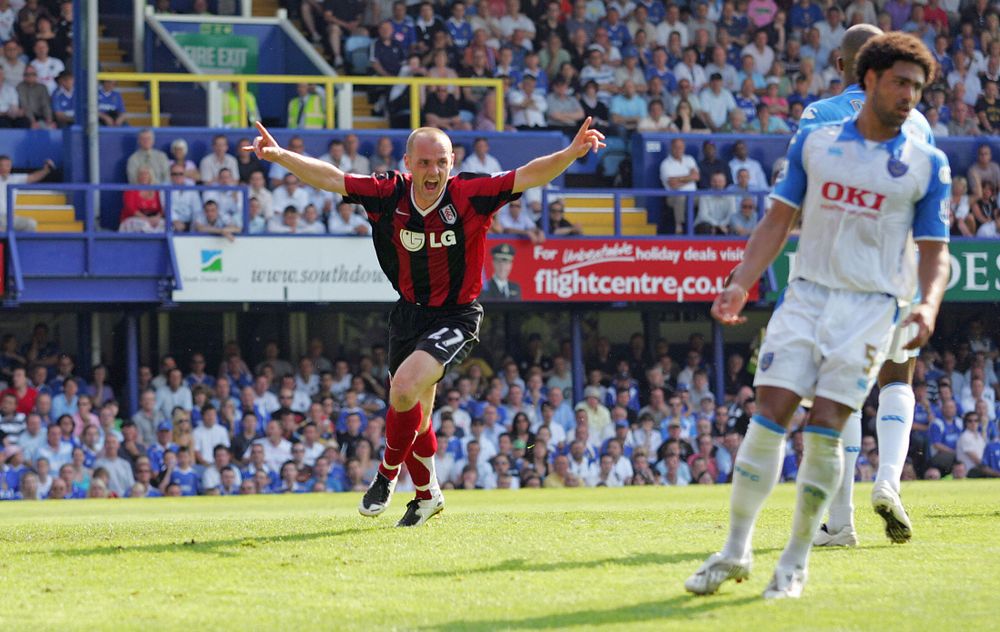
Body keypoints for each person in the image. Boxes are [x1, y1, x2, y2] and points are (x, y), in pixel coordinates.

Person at [686, 33, 949, 599]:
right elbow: (777, 221)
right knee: (769, 412)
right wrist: (740, 281)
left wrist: (927, 303)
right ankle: (734, 551)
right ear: (869, 77)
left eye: (918, 86)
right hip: (806, 294)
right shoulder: (817, 140)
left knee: (828, 425)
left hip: (872, 305)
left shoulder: (929, 162)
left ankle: (795, 562)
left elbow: (934, 249)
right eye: (900, 82)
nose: (910, 95)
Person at [246, 116, 604, 525]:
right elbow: (332, 178)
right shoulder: (388, 192)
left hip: (457, 314)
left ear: (452, 162)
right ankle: (427, 495)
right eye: (424, 163)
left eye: (441, 162)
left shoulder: (471, 193)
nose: (433, 172)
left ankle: (385, 475)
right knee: (417, 416)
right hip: (409, 312)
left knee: (402, 389)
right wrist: (280, 156)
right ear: (408, 163)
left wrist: (571, 153)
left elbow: (529, 175)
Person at [799, 25, 939, 550]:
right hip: (896, 260)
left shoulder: (817, 114)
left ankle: (840, 522)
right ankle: (889, 481)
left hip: (836, 265)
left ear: (843, 65)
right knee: (897, 376)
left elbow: (802, 188)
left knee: (842, 391)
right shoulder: (916, 118)